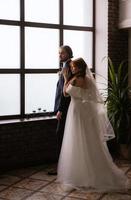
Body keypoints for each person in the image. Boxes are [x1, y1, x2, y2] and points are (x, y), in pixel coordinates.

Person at [57, 58, 129, 192]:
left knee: (80, 141)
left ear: (79, 67)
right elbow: (69, 94)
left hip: (79, 112)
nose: (72, 69)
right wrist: (68, 79)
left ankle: (85, 176)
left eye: (74, 67)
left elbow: (66, 93)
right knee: (82, 141)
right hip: (79, 111)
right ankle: (84, 173)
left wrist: (67, 78)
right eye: (71, 67)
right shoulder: (82, 79)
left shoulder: (80, 79)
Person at [48, 45, 73, 175]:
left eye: (62, 53)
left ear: (68, 53)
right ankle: (63, 166)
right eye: (59, 53)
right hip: (64, 108)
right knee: (62, 136)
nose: (59, 55)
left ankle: (61, 167)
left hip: (65, 108)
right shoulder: (65, 65)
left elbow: (66, 92)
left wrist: (60, 110)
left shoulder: (69, 66)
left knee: (60, 135)